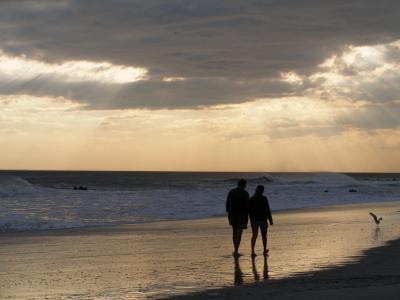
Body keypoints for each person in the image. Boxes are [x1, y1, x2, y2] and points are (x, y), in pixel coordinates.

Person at [226, 179, 249, 257]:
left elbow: (228, 204)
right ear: (244, 185)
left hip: (232, 214)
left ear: (238, 184)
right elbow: (247, 205)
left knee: (234, 232)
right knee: (239, 233)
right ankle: (236, 250)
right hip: (242, 214)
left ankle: (235, 249)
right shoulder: (245, 193)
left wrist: (229, 214)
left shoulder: (231, 191)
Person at [248, 185, 273, 256]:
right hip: (263, 219)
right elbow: (267, 210)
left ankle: (252, 251)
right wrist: (270, 220)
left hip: (254, 220)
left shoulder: (251, 199)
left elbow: (249, 211)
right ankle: (264, 250)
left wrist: (250, 219)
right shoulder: (264, 198)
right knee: (264, 236)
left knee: (254, 235)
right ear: (262, 191)